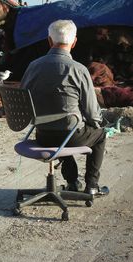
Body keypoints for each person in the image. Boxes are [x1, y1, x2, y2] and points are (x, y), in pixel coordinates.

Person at [20, 20, 108, 195]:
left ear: (49, 41)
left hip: (43, 135)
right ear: (74, 42)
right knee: (99, 134)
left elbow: (22, 101)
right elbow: (92, 112)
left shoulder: (33, 66)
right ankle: (91, 186)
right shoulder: (79, 70)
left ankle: (73, 182)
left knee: (64, 127)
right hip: (70, 136)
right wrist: (98, 123)